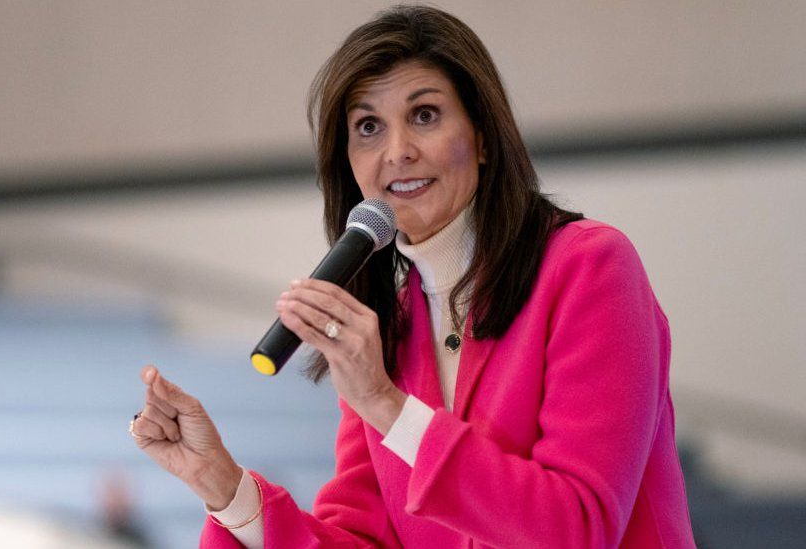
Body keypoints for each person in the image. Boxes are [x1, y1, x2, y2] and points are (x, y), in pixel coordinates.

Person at [129, 5, 695, 548]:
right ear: (347, 165)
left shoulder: (590, 267)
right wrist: (225, 489)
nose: (397, 151)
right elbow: (360, 539)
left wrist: (384, 403)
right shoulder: (389, 329)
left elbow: (578, 528)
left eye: (424, 115)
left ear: (483, 140)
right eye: (369, 127)